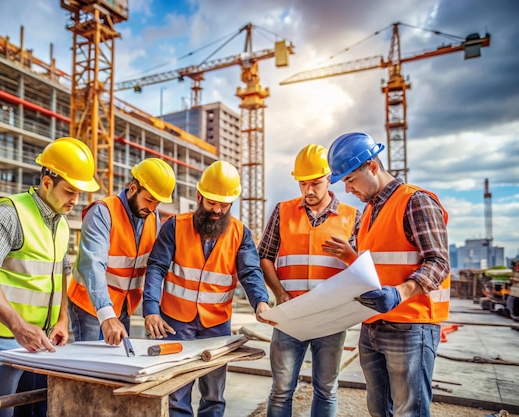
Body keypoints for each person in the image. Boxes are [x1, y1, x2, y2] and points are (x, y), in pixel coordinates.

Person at [0, 137, 100, 417]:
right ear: (46, 182)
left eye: (79, 193)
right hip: (0, 332)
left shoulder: (61, 222)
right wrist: (18, 326)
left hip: (41, 337)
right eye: (70, 191)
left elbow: (62, 274)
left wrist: (62, 319)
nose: (75, 200)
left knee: (36, 407)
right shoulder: (7, 214)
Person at [324, 132, 451, 417]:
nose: (347, 190)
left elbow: (438, 262)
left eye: (350, 180)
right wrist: (349, 258)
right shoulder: (369, 212)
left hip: (410, 326)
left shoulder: (416, 201)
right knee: (379, 409)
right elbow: (377, 266)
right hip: (373, 326)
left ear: (372, 166)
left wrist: (399, 293)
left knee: (410, 411)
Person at [142, 160, 273, 417]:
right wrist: (150, 309)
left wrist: (260, 300)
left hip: (216, 324)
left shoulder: (239, 233)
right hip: (175, 322)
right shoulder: (174, 226)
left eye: (224, 205)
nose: (217, 210)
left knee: (214, 395)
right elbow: (156, 267)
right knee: (177, 391)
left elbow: (250, 271)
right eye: (212, 202)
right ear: (199, 196)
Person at [257, 144, 360, 417]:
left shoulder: (351, 217)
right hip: (291, 316)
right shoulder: (282, 211)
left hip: (331, 318)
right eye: (303, 184)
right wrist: (278, 293)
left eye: (315, 183)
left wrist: (351, 256)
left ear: (330, 179)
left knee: (326, 389)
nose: (308, 191)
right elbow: (264, 257)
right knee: (281, 390)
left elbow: (361, 270)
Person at [67, 158, 176, 345]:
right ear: (133, 188)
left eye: (157, 203)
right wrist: (106, 314)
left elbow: (154, 265)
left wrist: (151, 309)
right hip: (91, 305)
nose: (151, 208)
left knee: (114, 364)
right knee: (91, 365)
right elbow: (93, 265)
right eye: (149, 199)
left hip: (124, 305)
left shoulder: (151, 216)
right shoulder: (103, 212)